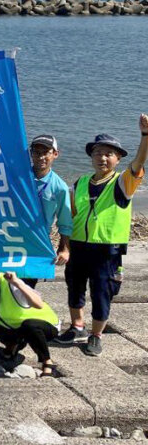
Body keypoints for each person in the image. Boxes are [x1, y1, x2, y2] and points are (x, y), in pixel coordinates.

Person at [58, 117, 148, 356]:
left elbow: (138, 164)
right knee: (74, 287)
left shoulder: (122, 183)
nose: (102, 158)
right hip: (78, 245)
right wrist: (64, 244)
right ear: (91, 157)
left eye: (109, 153)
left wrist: (145, 136)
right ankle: (77, 327)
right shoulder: (80, 182)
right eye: (98, 153)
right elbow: (71, 216)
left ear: (118, 159)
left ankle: (96, 335)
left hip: (107, 248)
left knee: (102, 292)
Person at [28, 134, 73, 287]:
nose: (41, 157)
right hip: (12, 237)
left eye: (46, 152)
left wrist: (64, 248)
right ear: (30, 153)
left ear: (55, 154)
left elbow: (65, 221)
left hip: (38, 242)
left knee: (26, 288)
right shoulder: (18, 179)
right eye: (36, 152)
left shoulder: (59, 187)